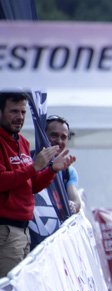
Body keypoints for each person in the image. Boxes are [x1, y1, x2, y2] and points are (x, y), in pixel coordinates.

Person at [0, 92, 76, 275]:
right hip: (6, 231)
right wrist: (34, 167)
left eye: (23, 112)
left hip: (23, 231)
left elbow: (31, 186)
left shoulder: (23, 142)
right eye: (13, 111)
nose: (19, 117)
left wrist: (51, 171)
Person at [45, 115, 82, 214]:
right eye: (54, 135)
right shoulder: (27, 160)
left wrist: (72, 205)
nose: (59, 141)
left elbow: (76, 201)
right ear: (43, 135)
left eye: (63, 137)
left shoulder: (68, 171)